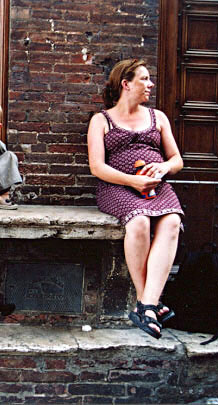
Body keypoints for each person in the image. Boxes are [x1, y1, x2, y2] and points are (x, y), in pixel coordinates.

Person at [87, 59, 184, 339]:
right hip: (118, 187)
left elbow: (177, 159)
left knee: (172, 222)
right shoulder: (101, 120)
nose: (150, 84)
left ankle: (146, 305)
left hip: (155, 187)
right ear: (125, 84)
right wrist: (133, 180)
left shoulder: (158, 118)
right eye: (144, 79)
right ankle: (150, 303)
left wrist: (163, 168)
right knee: (139, 222)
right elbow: (97, 167)